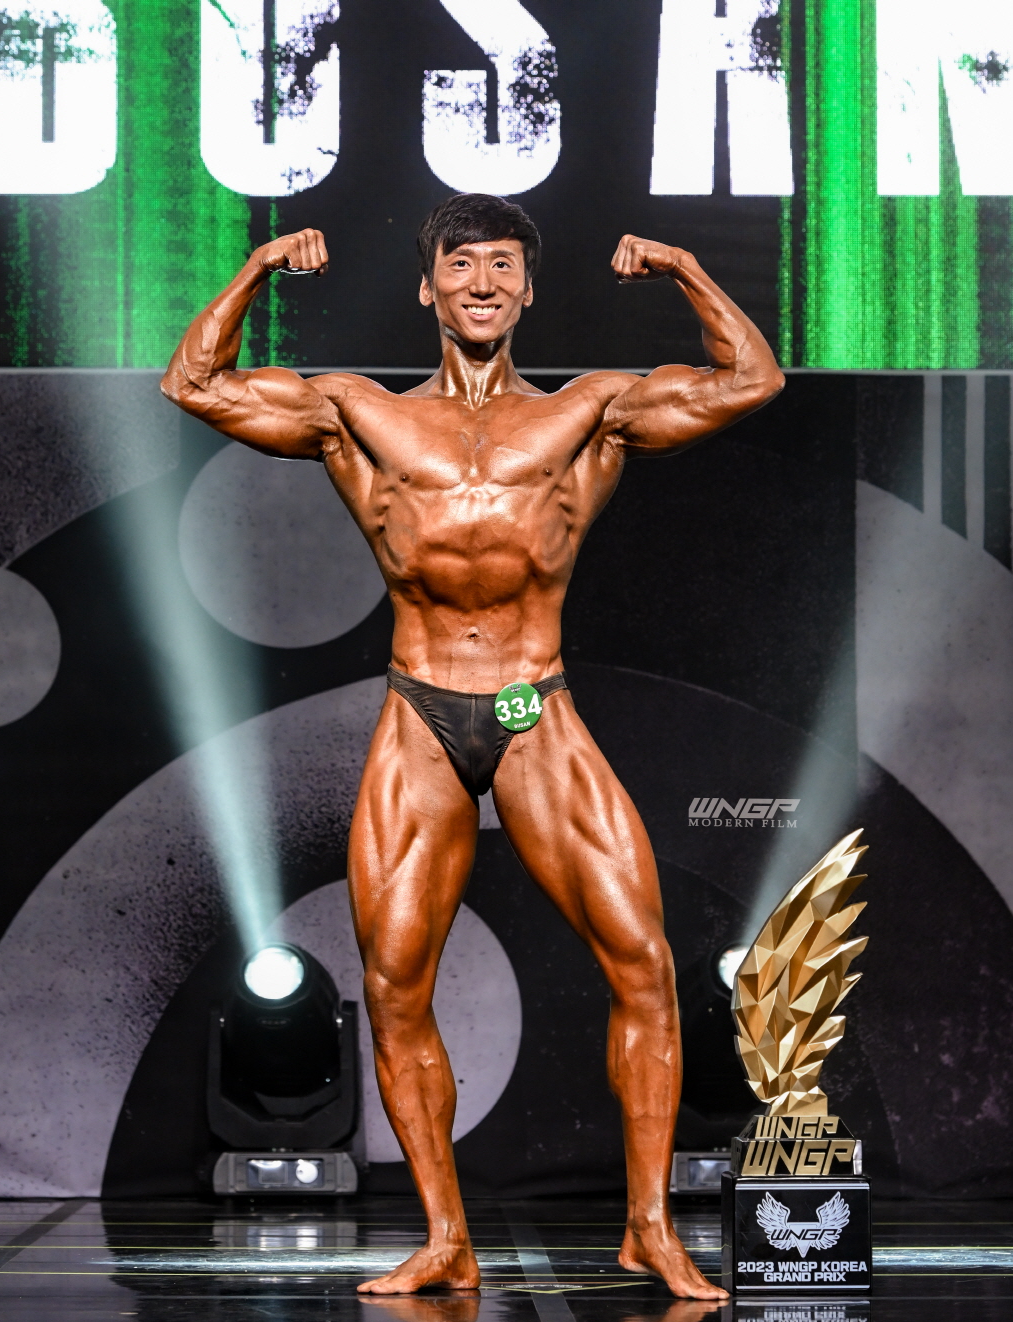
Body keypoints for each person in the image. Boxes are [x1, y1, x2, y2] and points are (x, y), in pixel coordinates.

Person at [161, 193, 783, 1299]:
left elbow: (749, 381)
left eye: (502, 265)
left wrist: (685, 267)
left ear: (528, 289)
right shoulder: (359, 414)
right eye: (461, 265)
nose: (483, 282)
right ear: (428, 287)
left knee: (643, 966)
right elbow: (194, 384)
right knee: (395, 987)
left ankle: (648, 1226)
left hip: (533, 708)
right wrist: (257, 268)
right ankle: (445, 1236)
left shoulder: (588, 413)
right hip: (422, 712)